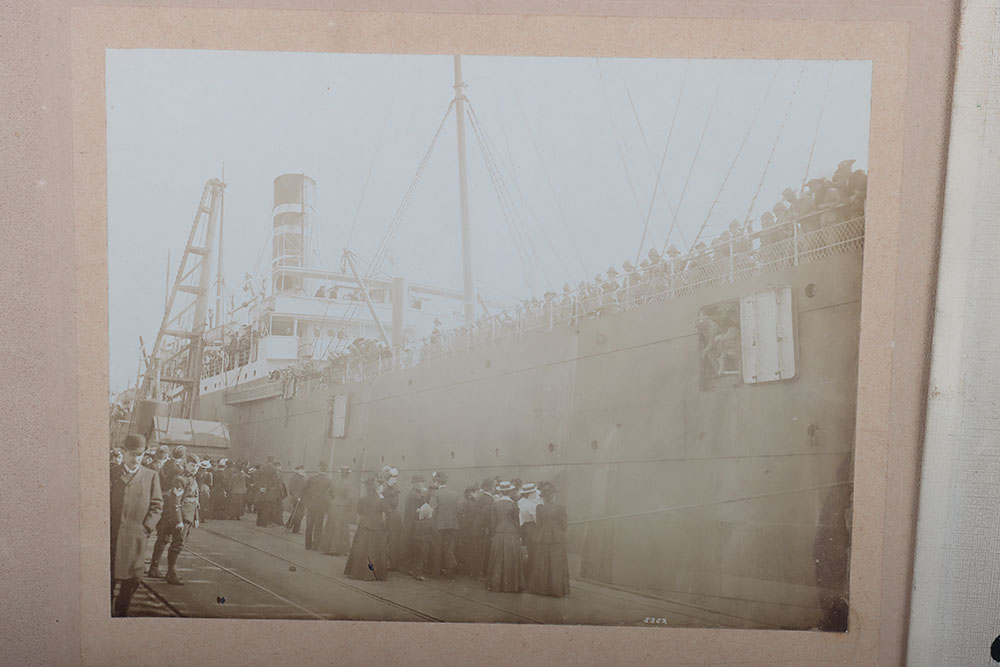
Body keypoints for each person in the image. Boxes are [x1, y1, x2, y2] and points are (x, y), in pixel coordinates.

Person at [110, 434, 162, 617]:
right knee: (108, 578)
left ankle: (121, 611)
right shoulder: (111, 473)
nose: (136, 459)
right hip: (112, 537)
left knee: (133, 579)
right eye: (132, 454)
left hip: (136, 538)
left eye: (139, 455)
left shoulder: (151, 476)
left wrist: (146, 528)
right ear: (123, 453)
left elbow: (157, 506)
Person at [148, 454, 200, 585]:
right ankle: (171, 573)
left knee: (165, 540)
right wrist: (179, 521)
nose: (195, 468)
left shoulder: (193, 479)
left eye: (197, 466)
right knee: (176, 544)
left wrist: (196, 517)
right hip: (180, 516)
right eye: (192, 465)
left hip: (187, 516)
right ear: (185, 464)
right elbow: (175, 501)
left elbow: (195, 501)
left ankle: (154, 568)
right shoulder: (180, 479)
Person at [528, 483, 570, 597]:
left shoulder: (539, 508)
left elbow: (539, 523)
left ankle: (542, 589)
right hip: (556, 538)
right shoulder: (559, 508)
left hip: (543, 537)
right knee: (556, 563)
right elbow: (564, 525)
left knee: (542, 562)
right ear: (552, 496)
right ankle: (556, 590)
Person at [344, 478, 389, 580]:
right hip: (377, 527)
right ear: (376, 488)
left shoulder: (362, 499)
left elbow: (359, 512)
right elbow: (388, 512)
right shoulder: (382, 500)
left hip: (364, 526)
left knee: (361, 549)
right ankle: (373, 573)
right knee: (374, 550)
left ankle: (357, 572)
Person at [485, 481, 525, 593]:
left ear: (501, 492)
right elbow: (517, 522)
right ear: (510, 491)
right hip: (512, 533)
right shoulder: (513, 504)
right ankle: (511, 584)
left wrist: (493, 535)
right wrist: (520, 534)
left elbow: (492, 522)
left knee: (497, 557)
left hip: (499, 532)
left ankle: (496, 583)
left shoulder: (495, 504)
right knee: (511, 557)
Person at [428, 472, 460, 579]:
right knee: (449, 549)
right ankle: (450, 574)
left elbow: (432, 510)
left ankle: (435, 574)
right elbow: (458, 510)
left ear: (437, 482)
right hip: (452, 526)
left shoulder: (435, 494)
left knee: (437, 549)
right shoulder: (454, 494)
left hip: (439, 526)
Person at [320, 466, 353, 556]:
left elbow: (326, 493)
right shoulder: (348, 484)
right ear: (347, 474)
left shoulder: (335, 482)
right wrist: (346, 506)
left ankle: (327, 548)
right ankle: (337, 550)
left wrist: (332, 502)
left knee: (331, 526)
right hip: (341, 508)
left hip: (333, 506)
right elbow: (350, 499)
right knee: (340, 528)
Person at [302, 462, 332, 551]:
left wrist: (306, 503)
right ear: (326, 470)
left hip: (311, 506)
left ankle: (307, 545)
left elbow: (303, 491)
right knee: (318, 526)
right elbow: (330, 495)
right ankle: (316, 546)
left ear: (318, 469)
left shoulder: (312, 479)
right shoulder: (329, 481)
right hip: (321, 507)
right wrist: (327, 507)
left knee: (309, 525)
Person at [401, 474, 426, 573]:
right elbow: (411, 511)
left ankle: (408, 566)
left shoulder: (416, 493)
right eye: (421, 482)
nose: (422, 484)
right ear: (416, 484)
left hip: (412, 523)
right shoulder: (412, 494)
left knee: (411, 545)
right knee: (410, 545)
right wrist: (420, 511)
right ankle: (407, 567)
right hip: (411, 524)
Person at [410, 484, 434, 581]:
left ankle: (415, 573)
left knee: (416, 558)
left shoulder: (418, 522)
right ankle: (419, 574)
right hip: (424, 543)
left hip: (416, 542)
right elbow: (433, 533)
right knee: (422, 559)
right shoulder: (429, 523)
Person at [518, 482, 541, 580]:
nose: (536, 493)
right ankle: (532, 577)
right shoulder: (529, 505)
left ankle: (526, 576)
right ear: (530, 493)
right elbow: (536, 520)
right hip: (532, 528)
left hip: (524, 527)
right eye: (534, 492)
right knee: (533, 552)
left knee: (527, 551)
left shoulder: (521, 502)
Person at [383, 468, 403, 570]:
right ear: (387, 479)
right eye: (392, 479)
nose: (394, 481)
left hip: (392, 516)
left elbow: (395, 502)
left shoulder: (394, 487)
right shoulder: (385, 488)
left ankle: (392, 563)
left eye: (395, 479)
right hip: (387, 515)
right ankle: (386, 562)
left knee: (393, 539)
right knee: (386, 539)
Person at [285, 465, 307, 534]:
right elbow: (291, 489)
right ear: (297, 470)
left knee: (299, 514)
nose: (303, 470)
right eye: (301, 469)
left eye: (303, 469)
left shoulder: (302, 477)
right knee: (297, 514)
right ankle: (293, 528)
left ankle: (291, 526)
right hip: (296, 499)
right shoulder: (294, 477)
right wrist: (296, 497)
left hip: (302, 499)